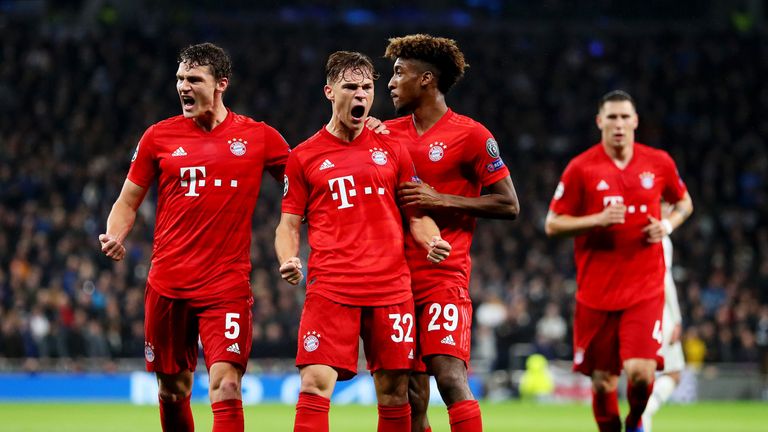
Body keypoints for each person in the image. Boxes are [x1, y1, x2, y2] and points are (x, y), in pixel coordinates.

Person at [99, 42, 290, 432]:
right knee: (172, 390)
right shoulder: (158, 136)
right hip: (168, 284)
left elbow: (307, 177)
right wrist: (114, 234)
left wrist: (357, 131)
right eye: (180, 79)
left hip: (226, 286)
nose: (183, 87)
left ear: (221, 84)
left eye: (194, 79)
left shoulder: (259, 137)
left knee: (227, 385)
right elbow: (127, 201)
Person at [275, 51, 452, 432]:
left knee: (393, 392)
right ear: (329, 92)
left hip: (390, 289)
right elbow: (288, 224)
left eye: (367, 88)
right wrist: (288, 258)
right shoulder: (304, 156)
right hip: (331, 288)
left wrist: (431, 239)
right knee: (314, 385)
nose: (360, 95)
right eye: (350, 87)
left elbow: (415, 215)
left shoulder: (393, 148)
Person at [383, 34, 520, 432]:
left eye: (398, 73)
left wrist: (440, 199)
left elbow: (509, 204)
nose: (389, 83)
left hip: (444, 274)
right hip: (392, 279)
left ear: (426, 79)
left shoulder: (472, 134)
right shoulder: (385, 134)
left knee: (449, 376)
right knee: (409, 391)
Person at [545, 90, 693, 432]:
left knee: (642, 375)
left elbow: (684, 202)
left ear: (636, 121)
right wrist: (595, 220)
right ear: (600, 122)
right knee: (602, 383)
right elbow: (552, 224)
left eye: (625, 117)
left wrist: (668, 224)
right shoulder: (581, 168)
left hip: (644, 291)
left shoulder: (659, 163)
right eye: (611, 117)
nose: (619, 124)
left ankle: (636, 420)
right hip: (596, 295)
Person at [641, 204, 686, 432]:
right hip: (661, 311)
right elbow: (665, 280)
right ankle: (644, 414)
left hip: (642, 308)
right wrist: (676, 318)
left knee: (647, 371)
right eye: (668, 206)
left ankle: (642, 414)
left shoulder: (643, 233)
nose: (671, 210)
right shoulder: (662, 238)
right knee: (674, 373)